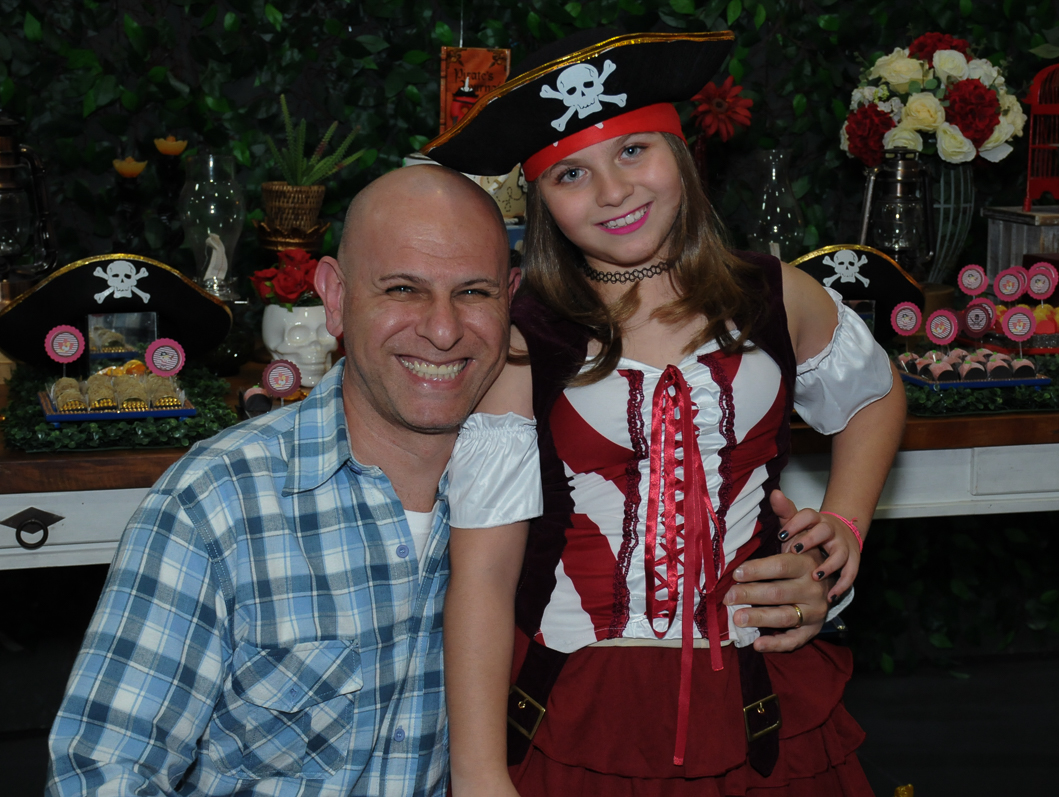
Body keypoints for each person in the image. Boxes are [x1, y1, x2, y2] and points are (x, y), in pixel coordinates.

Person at [426, 29, 907, 796]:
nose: (613, 192)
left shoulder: (775, 293)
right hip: (577, 709)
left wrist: (844, 526)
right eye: (572, 174)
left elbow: (877, 393)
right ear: (539, 198)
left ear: (681, 152)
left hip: (759, 697)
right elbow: (482, 575)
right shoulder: (526, 339)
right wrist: (480, 773)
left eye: (633, 151)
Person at [44, 165, 535, 797]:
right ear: (334, 296)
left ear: (511, 297)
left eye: (475, 292)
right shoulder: (216, 506)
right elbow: (101, 776)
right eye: (404, 290)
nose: (443, 330)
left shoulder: (530, 505)